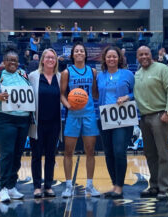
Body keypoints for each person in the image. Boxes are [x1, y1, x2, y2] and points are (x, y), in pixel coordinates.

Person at [0, 46, 33, 203]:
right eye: (10, 60)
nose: (13, 63)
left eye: (15, 60)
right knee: (7, 154)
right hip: (5, 120)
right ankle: (3, 188)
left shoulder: (23, 75)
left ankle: (11, 186)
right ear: (4, 62)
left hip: (23, 120)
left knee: (17, 155)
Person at [134, 46, 168, 200]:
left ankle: (164, 188)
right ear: (137, 57)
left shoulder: (162, 69)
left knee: (163, 153)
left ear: (151, 55)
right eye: (141, 55)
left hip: (160, 116)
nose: (144, 57)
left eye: (146, 54)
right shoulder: (137, 73)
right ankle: (154, 185)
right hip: (145, 118)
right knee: (150, 154)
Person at [60, 42, 100, 198]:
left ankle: (89, 185)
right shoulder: (66, 72)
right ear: (72, 54)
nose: (79, 53)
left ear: (85, 54)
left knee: (90, 151)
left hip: (89, 114)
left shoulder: (93, 71)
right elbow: (62, 94)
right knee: (68, 151)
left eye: (81, 51)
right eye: (76, 51)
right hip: (73, 115)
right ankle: (68, 186)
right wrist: (68, 105)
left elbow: (96, 94)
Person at [96, 46, 134, 198]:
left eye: (114, 56)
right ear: (105, 59)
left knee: (119, 151)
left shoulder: (128, 74)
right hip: (105, 118)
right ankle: (114, 184)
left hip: (123, 118)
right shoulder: (100, 76)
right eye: (109, 56)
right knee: (109, 153)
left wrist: (127, 97)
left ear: (119, 58)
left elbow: (136, 92)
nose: (111, 59)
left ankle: (120, 186)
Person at [28, 48, 61, 198]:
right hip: (37, 123)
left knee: (50, 156)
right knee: (36, 155)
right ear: (42, 60)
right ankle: (36, 186)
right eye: (47, 57)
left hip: (54, 123)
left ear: (56, 60)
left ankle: (48, 186)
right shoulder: (33, 76)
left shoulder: (60, 77)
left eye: (52, 58)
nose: (50, 60)